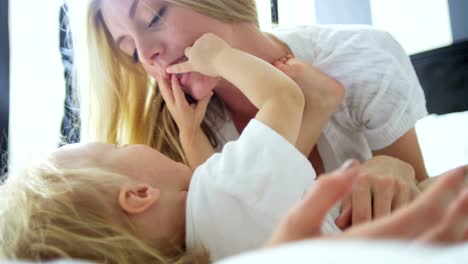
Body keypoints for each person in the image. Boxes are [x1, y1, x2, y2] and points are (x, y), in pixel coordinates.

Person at [68, 0, 431, 229]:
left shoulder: (361, 59)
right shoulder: (170, 130)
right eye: (131, 52)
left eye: (154, 17)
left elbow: (423, 193)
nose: (149, 56)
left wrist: (396, 170)